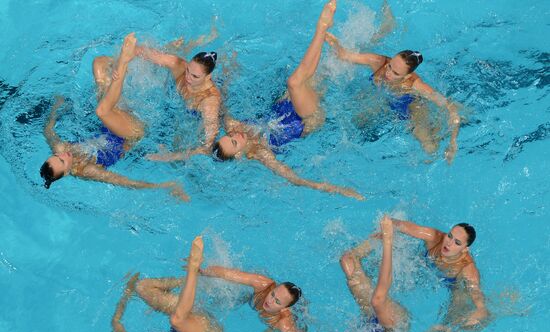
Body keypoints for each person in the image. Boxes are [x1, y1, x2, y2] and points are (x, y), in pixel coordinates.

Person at [148, 1, 363, 201]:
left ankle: (346, 46)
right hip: (307, 119)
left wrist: (229, 74)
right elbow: (294, 179)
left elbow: (216, 112)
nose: (235, 135)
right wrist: (337, 189)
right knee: (296, 81)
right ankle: (322, 27)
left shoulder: (233, 126)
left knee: (327, 69)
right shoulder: (259, 153)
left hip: (284, 104)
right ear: (239, 155)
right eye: (234, 142)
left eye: (229, 136)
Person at [308, 217, 461, 332]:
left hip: (371, 317)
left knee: (347, 261)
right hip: (393, 327)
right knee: (378, 300)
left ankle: (380, 237)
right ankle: (388, 240)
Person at [39, 33, 188, 201]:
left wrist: (56, 106)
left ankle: (160, 54)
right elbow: (123, 182)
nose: (64, 155)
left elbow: (48, 130)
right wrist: (166, 186)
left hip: (112, 123)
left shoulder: (61, 149)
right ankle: (124, 63)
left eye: (58, 156)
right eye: (63, 161)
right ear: (66, 172)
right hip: (130, 134)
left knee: (99, 65)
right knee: (101, 112)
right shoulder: (87, 170)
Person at [111, 236, 253, 332]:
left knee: (142, 287)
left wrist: (127, 293)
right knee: (176, 320)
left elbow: (116, 322)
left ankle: (192, 280)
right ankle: (193, 269)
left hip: (185, 321)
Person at [325, 26, 461, 164]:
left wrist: (453, 142)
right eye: (390, 65)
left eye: (396, 73)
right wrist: (333, 42)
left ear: (407, 76)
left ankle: (437, 135)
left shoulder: (415, 84)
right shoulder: (379, 62)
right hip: (386, 100)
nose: (388, 72)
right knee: (354, 123)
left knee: (428, 147)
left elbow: (450, 105)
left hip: (410, 105)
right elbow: (344, 55)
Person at [391, 218, 489, 332]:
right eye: (449, 236)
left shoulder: (467, 269)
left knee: (453, 317)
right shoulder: (434, 237)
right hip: (422, 266)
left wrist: (458, 325)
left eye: (457, 243)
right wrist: (386, 228)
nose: (449, 243)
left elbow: (481, 308)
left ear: (465, 249)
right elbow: (398, 224)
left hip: (452, 285)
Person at [135, 30, 222, 154]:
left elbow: (207, 145)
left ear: (208, 77)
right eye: (187, 70)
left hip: (191, 118)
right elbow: (141, 51)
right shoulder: (179, 64)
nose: (187, 77)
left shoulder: (209, 101)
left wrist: (169, 157)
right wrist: (121, 62)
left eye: (195, 76)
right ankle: (192, 43)